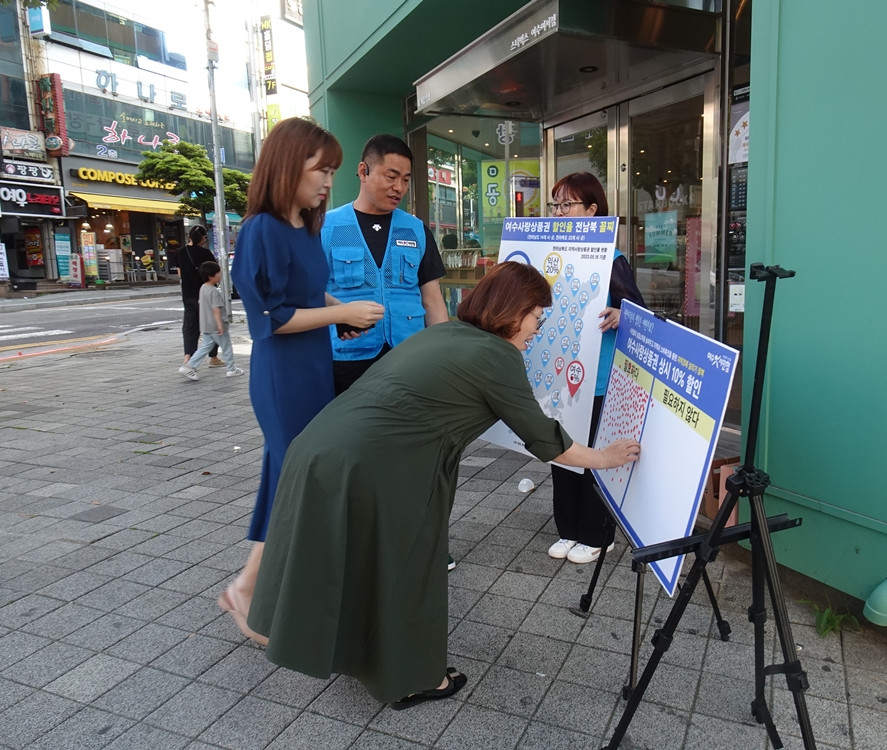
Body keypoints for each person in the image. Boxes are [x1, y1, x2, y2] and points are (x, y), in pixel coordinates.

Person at [246, 262, 640, 708]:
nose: (537, 328)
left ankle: (358, 656)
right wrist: (604, 458)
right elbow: (549, 441)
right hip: (376, 465)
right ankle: (412, 678)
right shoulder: (497, 357)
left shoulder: (446, 334)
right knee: (407, 565)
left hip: (321, 448)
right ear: (514, 312)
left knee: (359, 559)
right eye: (537, 316)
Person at [218, 118, 385, 640]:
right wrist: (343, 314)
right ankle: (249, 589)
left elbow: (311, 297)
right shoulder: (261, 230)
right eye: (321, 169)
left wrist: (347, 310)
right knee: (297, 483)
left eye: (333, 171)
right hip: (282, 379)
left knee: (288, 480)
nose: (328, 182)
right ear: (289, 165)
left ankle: (256, 589)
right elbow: (271, 319)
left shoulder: (305, 228)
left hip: (313, 371)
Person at [545, 172, 646, 564]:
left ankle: (597, 534)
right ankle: (567, 529)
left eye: (567, 205)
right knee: (561, 452)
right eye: (555, 205)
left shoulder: (612, 259)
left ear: (592, 210)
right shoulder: (550, 256)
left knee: (594, 456)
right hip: (560, 373)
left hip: (599, 378)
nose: (559, 213)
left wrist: (622, 314)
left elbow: (640, 313)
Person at [321, 134, 448, 396]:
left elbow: (432, 299)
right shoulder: (327, 228)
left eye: (405, 179)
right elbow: (308, 291)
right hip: (346, 362)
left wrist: (442, 355)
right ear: (363, 171)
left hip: (408, 358)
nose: (399, 188)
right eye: (391, 177)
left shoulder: (416, 230)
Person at [177, 261, 243, 380]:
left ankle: (189, 366)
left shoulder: (203, 288)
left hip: (206, 325)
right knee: (226, 346)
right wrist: (220, 325)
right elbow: (216, 309)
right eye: (218, 273)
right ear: (211, 276)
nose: (221, 275)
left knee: (205, 347)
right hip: (216, 326)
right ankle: (231, 369)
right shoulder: (214, 291)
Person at [176, 225, 221, 368]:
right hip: (205, 294)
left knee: (190, 326)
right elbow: (214, 272)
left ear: (189, 236)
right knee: (211, 325)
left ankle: (188, 357)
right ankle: (213, 358)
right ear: (203, 237)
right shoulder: (206, 253)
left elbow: (180, 273)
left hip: (188, 294)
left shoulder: (181, 252)